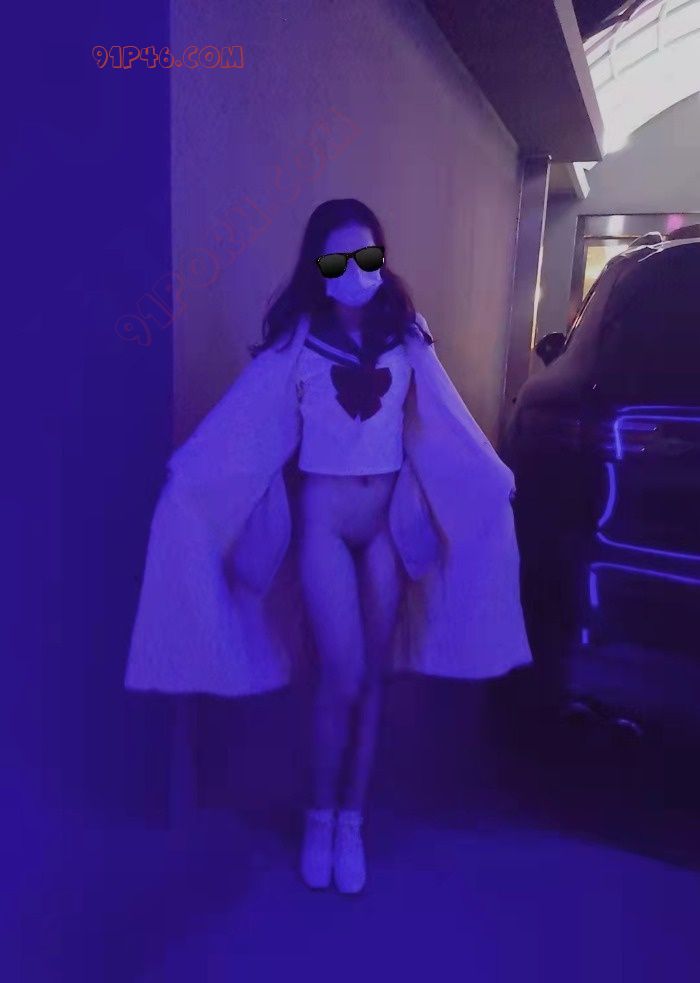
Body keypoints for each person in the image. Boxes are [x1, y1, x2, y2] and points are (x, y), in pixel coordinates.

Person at [124, 198, 532, 895]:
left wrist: (487, 479)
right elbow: (244, 424)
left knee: (371, 679)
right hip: (325, 526)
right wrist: (191, 479)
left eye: (368, 257)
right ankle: (319, 818)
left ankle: (350, 822)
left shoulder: (407, 336)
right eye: (338, 260)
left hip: (385, 525)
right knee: (342, 673)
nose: (355, 272)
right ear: (318, 265)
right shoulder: (299, 342)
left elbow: (444, 416)